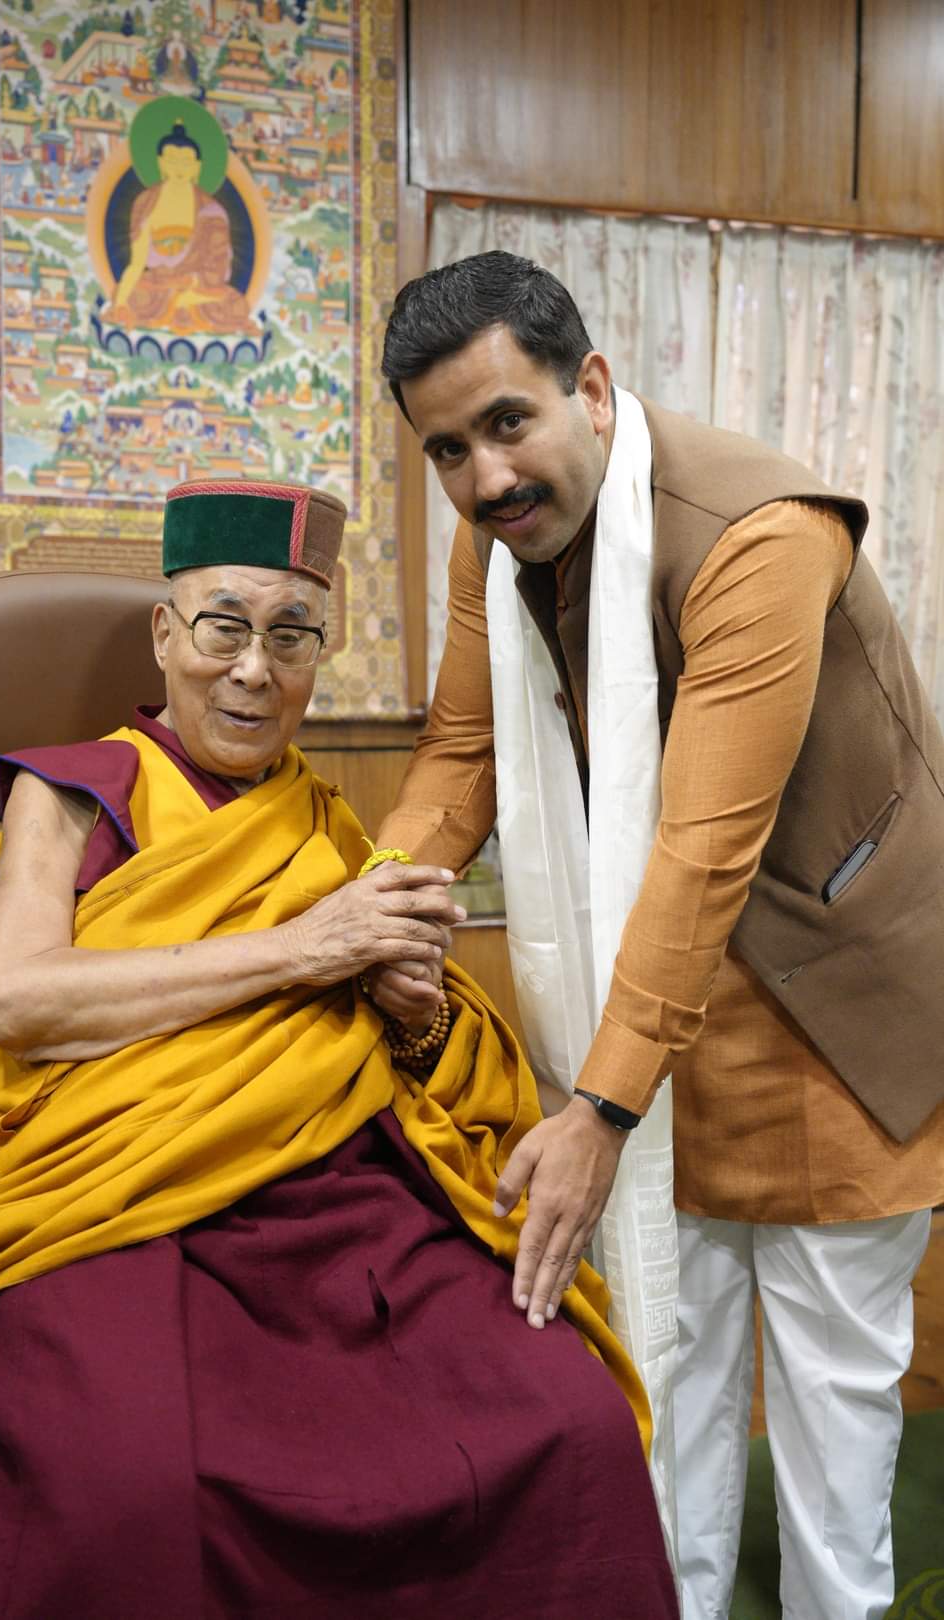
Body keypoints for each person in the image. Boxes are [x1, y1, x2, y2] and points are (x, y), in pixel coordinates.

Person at [0, 479, 679, 1620]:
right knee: (128, 1490)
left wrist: (414, 1004)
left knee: (566, 1425)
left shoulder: (326, 824)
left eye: (292, 634)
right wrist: (304, 948)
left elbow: (435, 1051)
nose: (254, 669)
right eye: (224, 626)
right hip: (115, 1203)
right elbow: (23, 1000)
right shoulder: (73, 792)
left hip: (343, 1202)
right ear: (166, 635)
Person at [375, 249, 944, 1620]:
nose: (488, 477)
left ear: (592, 387)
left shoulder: (764, 534)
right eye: (447, 448)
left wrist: (597, 1106)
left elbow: (700, 848)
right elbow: (460, 760)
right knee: (665, 1369)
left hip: (836, 1020)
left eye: (509, 423)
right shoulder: (493, 542)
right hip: (657, 1008)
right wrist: (355, 915)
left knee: (828, 1419)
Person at [109, 122, 254, 334]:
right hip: (160, 286)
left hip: (198, 289)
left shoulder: (212, 211)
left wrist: (190, 294)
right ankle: (174, 307)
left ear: (197, 167)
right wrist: (120, 303)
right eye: (172, 160)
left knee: (236, 306)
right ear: (161, 163)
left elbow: (217, 271)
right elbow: (137, 263)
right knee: (129, 295)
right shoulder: (145, 203)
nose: (179, 168)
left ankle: (181, 306)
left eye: (186, 161)